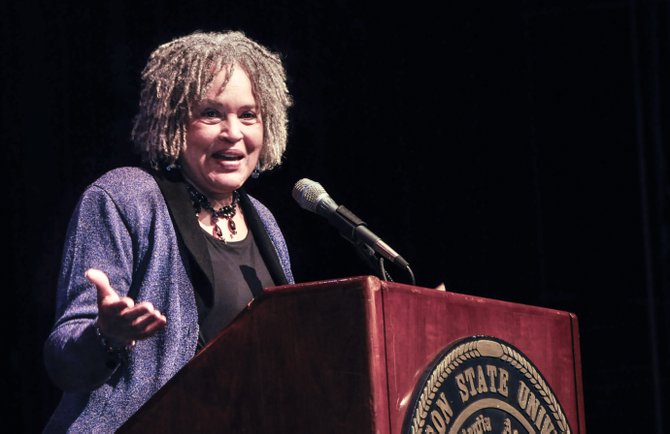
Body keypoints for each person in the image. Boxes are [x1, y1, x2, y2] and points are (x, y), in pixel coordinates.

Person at [42, 30, 294, 433]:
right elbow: (63, 360)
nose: (234, 132)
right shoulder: (124, 198)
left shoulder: (264, 222)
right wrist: (106, 335)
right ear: (174, 121)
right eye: (211, 113)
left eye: (248, 115)